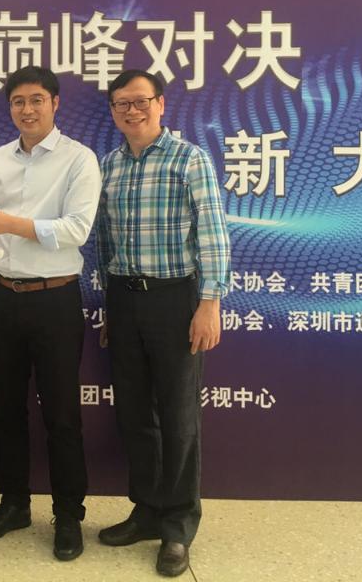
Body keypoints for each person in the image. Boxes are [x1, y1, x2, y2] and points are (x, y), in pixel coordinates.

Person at [95, 69, 231, 578]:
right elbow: (105, 240)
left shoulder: (188, 159)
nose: (132, 111)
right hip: (124, 298)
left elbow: (213, 233)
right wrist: (109, 306)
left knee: (177, 416)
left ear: (160, 104)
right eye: (121, 104)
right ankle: (147, 511)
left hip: (176, 299)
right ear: (112, 111)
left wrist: (210, 302)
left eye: (140, 101)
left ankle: (177, 525)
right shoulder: (109, 165)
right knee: (134, 414)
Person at [0, 65, 101, 561]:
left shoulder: (79, 159)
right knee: (6, 410)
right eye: (18, 101)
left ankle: (68, 516)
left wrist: (13, 223)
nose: (27, 109)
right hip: (3, 297)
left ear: (55, 103)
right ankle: (14, 504)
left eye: (36, 100)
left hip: (55, 299)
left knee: (61, 414)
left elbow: (76, 229)